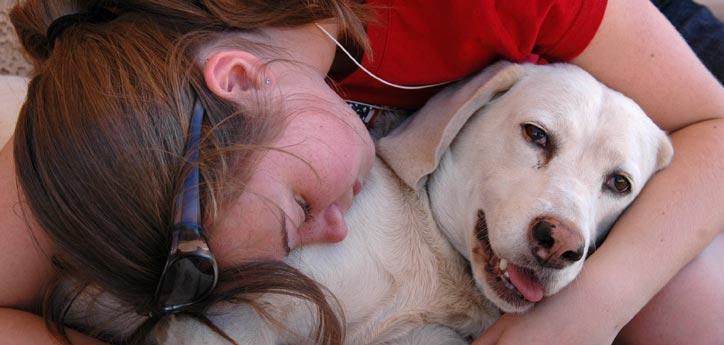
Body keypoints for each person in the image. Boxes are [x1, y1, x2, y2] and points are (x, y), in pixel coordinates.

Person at [0, 0, 722, 344]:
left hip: (646, 54)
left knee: (690, 309)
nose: (334, 226)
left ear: (242, 76)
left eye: (303, 202)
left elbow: (715, 129)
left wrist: (585, 312)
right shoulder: (114, 111)